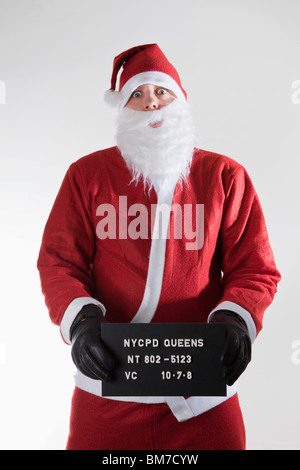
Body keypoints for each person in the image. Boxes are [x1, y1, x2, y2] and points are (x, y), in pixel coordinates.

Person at [37, 43, 281, 450]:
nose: (150, 103)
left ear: (180, 101)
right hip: (108, 390)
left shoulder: (224, 175)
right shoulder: (87, 175)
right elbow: (59, 262)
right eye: (137, 94)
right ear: (123, 108)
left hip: (201, 398)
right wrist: (80, 322)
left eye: (160, 92)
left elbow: (255, 267)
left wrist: (237, 318)